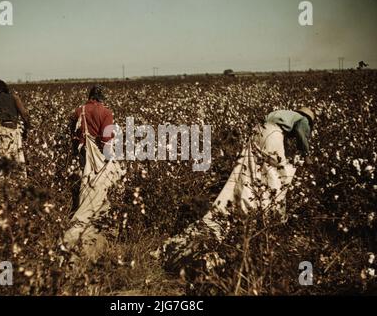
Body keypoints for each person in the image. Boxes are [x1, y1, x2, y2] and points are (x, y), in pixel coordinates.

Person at [155, 107, 316, 264]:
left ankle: (249, 206)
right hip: (271, 136)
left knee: (250, 174)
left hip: (257, 133)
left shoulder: (283, 114)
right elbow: (302, 134)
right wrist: (307, 156)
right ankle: (270, 216)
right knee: (277, 177)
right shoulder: (302, 119)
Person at [63, 85, 124, 257]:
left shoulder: (79, 111)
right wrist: (110, 157)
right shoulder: (106, 113)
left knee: (86, 182)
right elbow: (106, 139)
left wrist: (76, 150)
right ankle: (95, 223)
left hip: (84, 153)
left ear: (90, 97)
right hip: (99, 155)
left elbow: (74, 135)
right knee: (101, 187)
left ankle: (83, 213)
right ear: (101, 97)